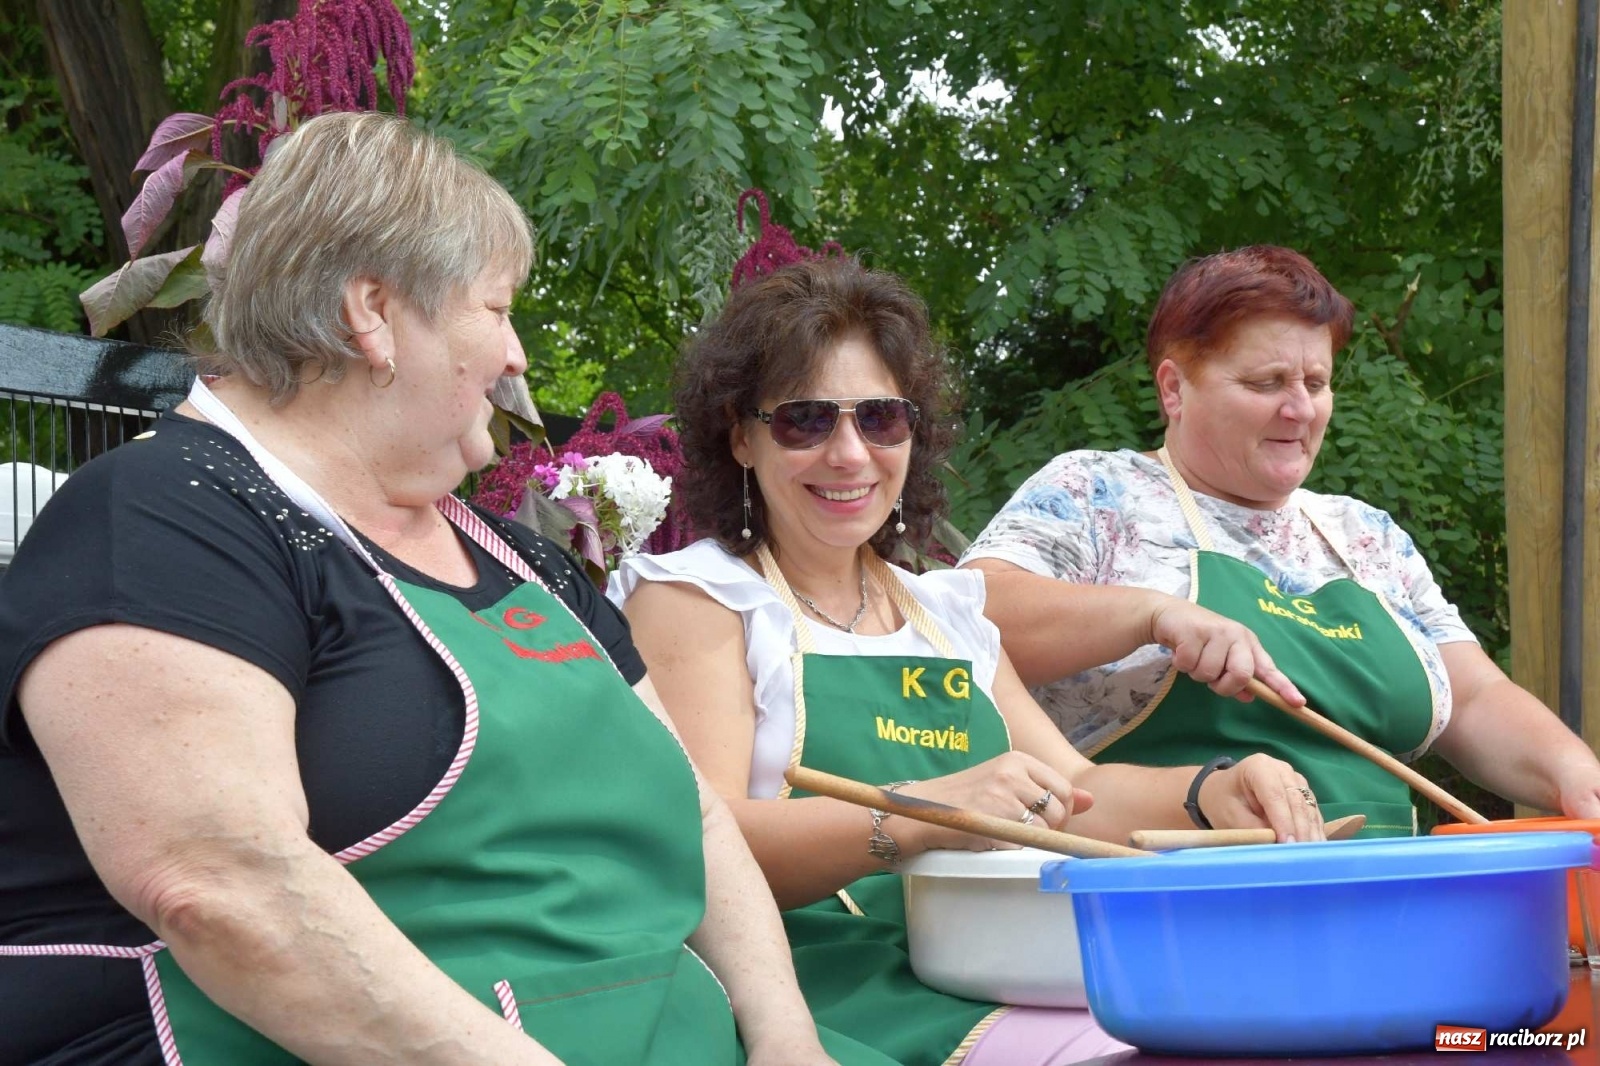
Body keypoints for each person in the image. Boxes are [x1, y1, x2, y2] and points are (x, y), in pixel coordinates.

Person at [0, 112, 868, 1066]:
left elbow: (695, 813)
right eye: (497, 310)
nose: (518, 356)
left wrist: (790, 1040)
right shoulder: (167, 513)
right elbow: (221, 886)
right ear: (372, 312)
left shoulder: (518, 556)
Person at [611, 225, 1330, 1066]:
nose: (850, 454)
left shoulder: (941, 611)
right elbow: (706, 845)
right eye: (806, 420)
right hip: (804, 985)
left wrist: (1213, 790)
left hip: (981, 966)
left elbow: (1081, 792)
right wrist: (926, 812)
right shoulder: (698, 599)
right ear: (741, 435)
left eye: (880, 418)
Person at [962, 244, 1600, 835]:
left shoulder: (1367, 535)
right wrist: (1150, 616)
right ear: (1174, 388)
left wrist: (1576, 776)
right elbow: (962, 618)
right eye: (1267, 383)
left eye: (1316, 384)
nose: (1300, 409)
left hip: (1389, 896)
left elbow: (1477, 697)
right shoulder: (1095, 491)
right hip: (1163, 897)